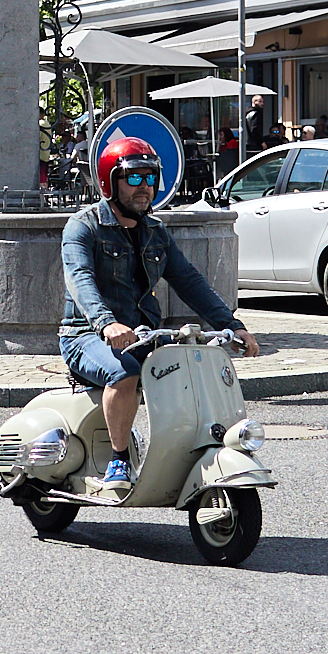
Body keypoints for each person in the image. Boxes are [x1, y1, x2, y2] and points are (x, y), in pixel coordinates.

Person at [60, 138, 257, 493]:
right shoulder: (84, 226)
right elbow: (80, 279)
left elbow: (190, 282)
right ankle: (119, 459)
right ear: (110, 182)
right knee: (124, 372)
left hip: (141, 334)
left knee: (191, 365)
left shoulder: (156, 232)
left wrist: (233, 326)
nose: (145, 187)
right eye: (134, 178)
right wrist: (106, 323)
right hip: (85, 335)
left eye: (151, 178)